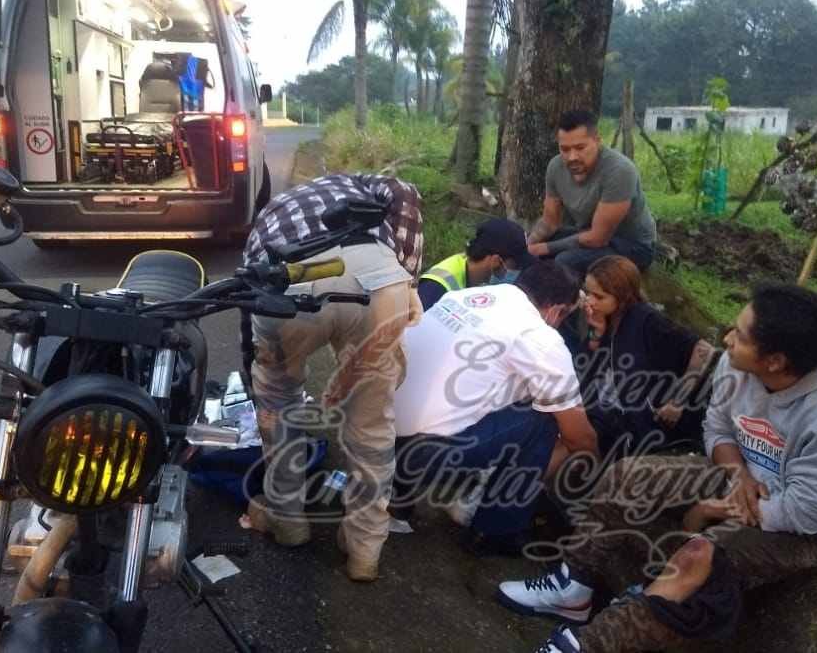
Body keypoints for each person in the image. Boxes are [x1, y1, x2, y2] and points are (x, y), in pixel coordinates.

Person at [496, 283, 817, 652]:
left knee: (699, 559)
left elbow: (806, 513)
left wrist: (716, 511)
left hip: (804, 528)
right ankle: (572, 587)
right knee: (628, 475)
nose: (726, 339)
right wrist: (736, 475)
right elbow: (718, 428)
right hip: (739, 478)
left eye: (740, 336)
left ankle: (586, 645)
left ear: (774, 361)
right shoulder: (736, 367)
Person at [242, 173, 424, 582]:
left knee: (280, 401)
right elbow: (406, 191)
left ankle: (288, 522)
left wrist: (265, 378)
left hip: (289, 278)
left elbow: (249, 305)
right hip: (377, 278)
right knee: (372, 422)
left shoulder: (268, 219)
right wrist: (408, 275)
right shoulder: (363, 186)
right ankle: (365, 549)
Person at [392, 261, 599, 556]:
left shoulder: (465, 297)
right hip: (421, 455)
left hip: (380, 428)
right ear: (556, 311)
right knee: (546, 419)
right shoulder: (539, 337)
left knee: (509, 389)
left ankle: (402, 487)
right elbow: (579, 437)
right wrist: (598, 471)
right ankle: (495, 531)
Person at [573, 255, 717, 459]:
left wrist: (677, 401)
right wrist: (597, 332)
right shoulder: (601, 317)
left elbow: (704, 350)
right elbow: (588, 367)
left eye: (599, 296)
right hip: (602, 407)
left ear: (622, 297)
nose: (590, 301)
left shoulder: (647, 321)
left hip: (637, 422)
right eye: (588, 292)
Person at [528, 110, 656, 275]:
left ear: (597, 140)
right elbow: (549, 222)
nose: (572, 156)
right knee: (539, 246)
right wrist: (528, 244)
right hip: (587, 234)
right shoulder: (555, 167)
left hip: (632, 245)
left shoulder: (620, 171)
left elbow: (598, 238)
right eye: (565, 149)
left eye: (580, 147)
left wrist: (542, 249)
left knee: (564, 260)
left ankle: (572, 299)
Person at [417, 217, 536, 311]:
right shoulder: (435, 289)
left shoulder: (475, 274)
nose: (515, 272)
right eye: (515, 266)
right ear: (496, 261)